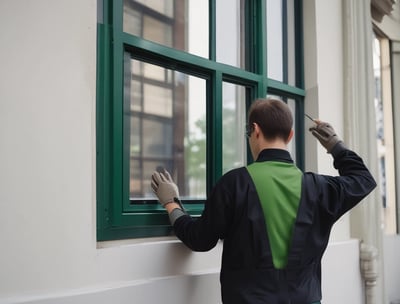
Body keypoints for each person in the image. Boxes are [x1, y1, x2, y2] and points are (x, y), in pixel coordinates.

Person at [151, 98, 376, 304]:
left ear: (255, 130)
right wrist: (334, 145)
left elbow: (200, 239)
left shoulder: (234, 184)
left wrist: (171, 203)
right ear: (290, 136)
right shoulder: (320, 189)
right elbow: (363, 179)